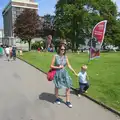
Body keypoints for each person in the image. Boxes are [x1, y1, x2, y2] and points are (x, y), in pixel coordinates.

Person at [50, 44, 76, 108]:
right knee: (57, 86)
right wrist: (58, 67)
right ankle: (57, 98)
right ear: (59, 49)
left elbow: (68, 65)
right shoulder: (55, 56)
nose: (63, 50)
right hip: (58, 73)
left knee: (68, 86)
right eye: (62, 49)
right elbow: (51, 66)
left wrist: (73, 71)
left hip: (64, 73)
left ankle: (68, 101)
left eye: (64, 49)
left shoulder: (65, 57)